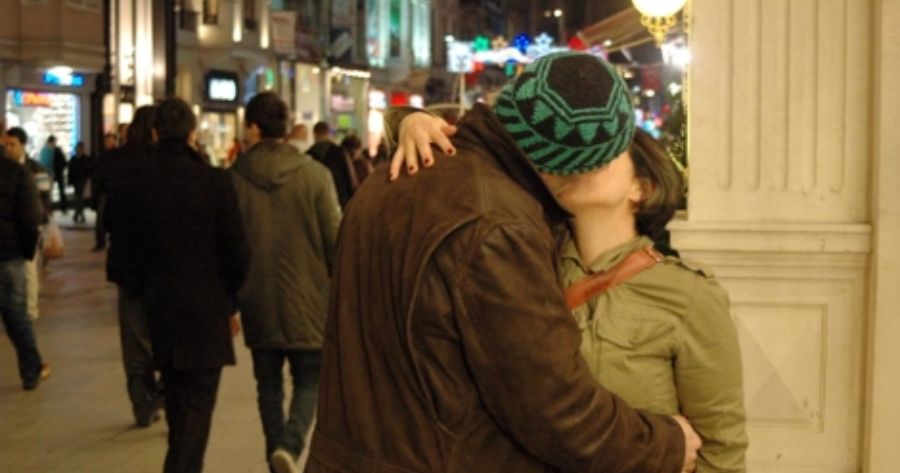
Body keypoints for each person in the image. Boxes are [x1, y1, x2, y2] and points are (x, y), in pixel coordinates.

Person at [305, 52, 701, 473]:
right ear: (573, 166)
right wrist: (666, 444)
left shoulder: (397, 176)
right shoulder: (501, 225)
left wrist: (408, 119)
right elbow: (554, 407)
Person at [397, 115, 750, 470]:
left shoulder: (687, 295)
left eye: (601, 153)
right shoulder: (522, 263)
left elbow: (720, 448)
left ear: (641, 188)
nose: (576, 160)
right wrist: (412, 121)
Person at [121, 98, 250, 473]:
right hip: (205, 315)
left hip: (159, 313)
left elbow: (126, 255)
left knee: (179, 405)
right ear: (193, 134)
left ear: (155, 133)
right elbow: (238, 252)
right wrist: (228, 301)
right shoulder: (214, 182)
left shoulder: (137, 184)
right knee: (195, 411)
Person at [230, 92, 342, 473]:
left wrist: (231, 301)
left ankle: (276, 454)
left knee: (268, 386)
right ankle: (290, 447)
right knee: (310, 381)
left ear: (254, 128)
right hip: (310, 299)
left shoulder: (234, 179)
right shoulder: (315, 175)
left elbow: (229, 246)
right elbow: (335, 241)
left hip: (256, 298)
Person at [104, 106, 165, 428]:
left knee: (134, 339)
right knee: (166, 332)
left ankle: (142, 403)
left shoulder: (118, 164)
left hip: (127, 265)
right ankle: (164, 392)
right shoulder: (165, 165)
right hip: (162, 265)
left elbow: (108, 217)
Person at [0, 129, 51, 390]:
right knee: (17, 315)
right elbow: (31, 218)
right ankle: (31, 370)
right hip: (9, 254)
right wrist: (27, 251)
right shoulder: (17, 173)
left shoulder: (27, 170)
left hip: (10, 252)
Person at [5, 128, 50, 322]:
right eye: (6, 144)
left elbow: (45, 198)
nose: (9, 149)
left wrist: (41, 220)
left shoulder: (36, 169)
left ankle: (31, 309)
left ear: (23, 145)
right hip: (9, 227)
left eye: (12, 144)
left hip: (30, 224)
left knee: (30, 268)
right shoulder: (5, 169)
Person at [306, 122, 354, 208]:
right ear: (328, 133)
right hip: (339, 201)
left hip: (315, 203)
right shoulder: (340, 152)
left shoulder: (308, 154)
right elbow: (350, 179)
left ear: (314, 134)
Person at [92, 131, 119, 251]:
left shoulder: (117, 156)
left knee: (111, 216)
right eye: (106, 141)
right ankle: (100, 241)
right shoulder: (102, 156)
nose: (107, 143)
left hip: (113, 190)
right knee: (101, 217)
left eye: (110, 140)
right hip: (104, 190)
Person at [68, 142, 93, 224]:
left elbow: (88, 169)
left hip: (82, 179)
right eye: (78, 148)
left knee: (79, 196)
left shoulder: (85, 158)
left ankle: (78, 214)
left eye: (80, 148)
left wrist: (87, 176)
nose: (79, 150)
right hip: (76, 179)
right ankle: (79, 214)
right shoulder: (74, 159)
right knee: (79, 196)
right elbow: (71, 170)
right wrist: (70, 180)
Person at [51, 137, 68, 213]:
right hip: (59, 173)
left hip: (54, 173)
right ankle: (63, 208)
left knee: (51, 191)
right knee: (61, 191)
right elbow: (64, 162)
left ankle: (53, 207)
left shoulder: (53, 151)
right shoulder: (58, 150)